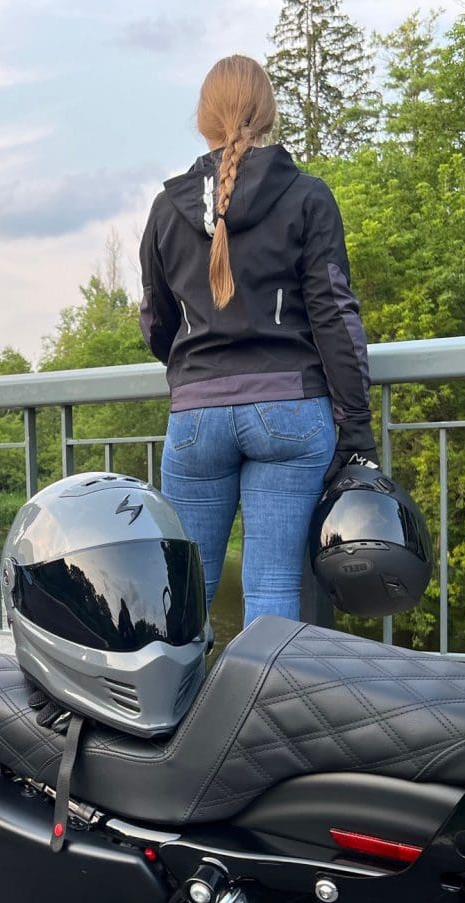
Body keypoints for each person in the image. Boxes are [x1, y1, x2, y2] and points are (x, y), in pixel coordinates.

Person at [139, 54, 376, 626]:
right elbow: (334, 315)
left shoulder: (166, 209)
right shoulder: (307, 196)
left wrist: (196, 363)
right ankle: (261, 716)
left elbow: (155, 322)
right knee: (271, 593)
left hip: (196, 418)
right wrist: (356, 424)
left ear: (203, 120)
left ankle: (175, 716)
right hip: (291, 410)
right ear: (267, 115)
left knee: (185, 596)